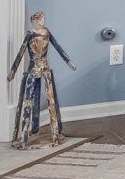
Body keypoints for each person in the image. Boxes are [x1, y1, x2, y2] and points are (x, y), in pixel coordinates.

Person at [7, 10, 75, 148]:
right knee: (30, 99)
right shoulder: (30, 35)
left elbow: (58, 47)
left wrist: (68, 62)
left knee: (50, 99)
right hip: (33, 70)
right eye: (41, 20)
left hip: (45, 69)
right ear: (35, 21)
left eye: (43, 19)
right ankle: (24, 137)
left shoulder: (46, 33)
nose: (43, 22)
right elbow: (21, 53)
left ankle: (56, 134)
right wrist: (13, 71)